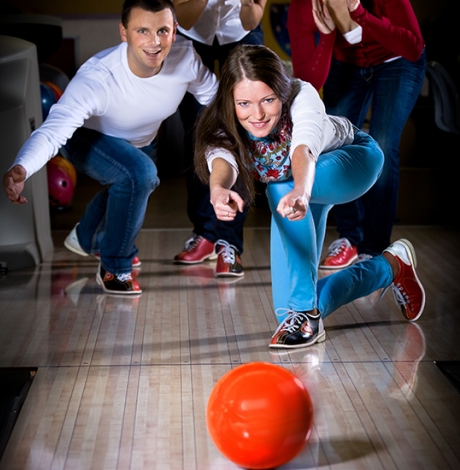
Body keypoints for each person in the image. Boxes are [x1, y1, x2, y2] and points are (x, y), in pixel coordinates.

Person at [193, 44, 425, 348]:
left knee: (281, 186)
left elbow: (304, 148)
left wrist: (301, 192)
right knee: (285, 312)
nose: (258, 114)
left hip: (353, 161)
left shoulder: (303, 98)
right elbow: (222, 158)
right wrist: (218, 189)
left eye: (268, 100)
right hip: (298, 186)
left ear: (282, 91)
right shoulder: (225, 120)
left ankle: (306, 314)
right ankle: (390, 267)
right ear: (231, 102)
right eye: (245, 104)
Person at [2, 0, 218, 295]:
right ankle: (115, 266)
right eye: (142, 31)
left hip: (142, 141)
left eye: (163, 31)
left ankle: (88, 236)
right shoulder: (98, 77)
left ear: (175, 30)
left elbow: (215, 98)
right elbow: (54, 131)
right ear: (124, 33)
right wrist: (23, 166)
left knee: (132, 180)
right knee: (139, 175)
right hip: (86, 139)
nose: (154, 42)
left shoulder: (185, 58)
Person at [287, 0, 427, 269]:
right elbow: (309, 81)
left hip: (397, 60)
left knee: (383, 143)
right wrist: (328, 36)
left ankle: (374, 246)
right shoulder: (303, 6)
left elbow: (413, 47)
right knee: (334, 145)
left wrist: (361, 14)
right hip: (347, 65)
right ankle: (350, 237)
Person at [172, 0, 267, 277]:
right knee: (197, 134)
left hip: (241, 34)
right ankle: (205, 232)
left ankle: (229, 243)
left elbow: (251, 19)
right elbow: (185, 18)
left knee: (241, 134)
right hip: (192, 35)